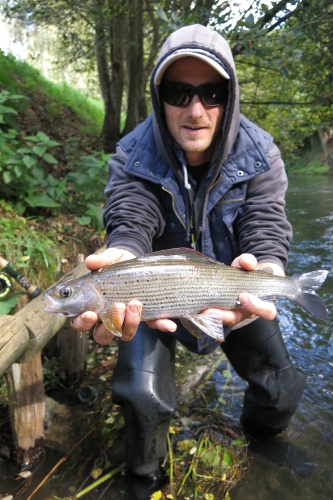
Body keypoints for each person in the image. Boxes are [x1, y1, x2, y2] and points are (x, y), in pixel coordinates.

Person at [72, 24, 305, 499]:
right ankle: (144, 480)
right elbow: (130, 217)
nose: (195, 110)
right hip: (157, 296)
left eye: (211, 92)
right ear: (160, 98)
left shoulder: (260, 153)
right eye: (179, 92)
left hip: (229, 288)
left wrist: (269, 268)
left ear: (229, 96)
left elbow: (265, 224)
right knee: (140, 397)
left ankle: (261, 452)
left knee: (281, 387)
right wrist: (122, 252)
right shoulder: (133, 153)